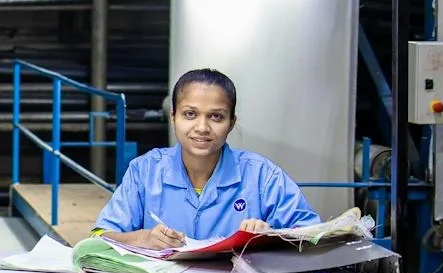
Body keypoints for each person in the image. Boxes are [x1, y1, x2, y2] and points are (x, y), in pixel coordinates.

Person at [91, 67, 319, 252]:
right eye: (190, 114)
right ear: (173, 117)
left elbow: (313, 235)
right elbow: (98, 238)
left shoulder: (262, 176)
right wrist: (141, 239)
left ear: (231, 123)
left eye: (216, 116)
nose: (202, 128)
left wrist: (269, 236)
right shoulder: (144, 171)